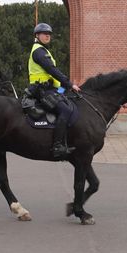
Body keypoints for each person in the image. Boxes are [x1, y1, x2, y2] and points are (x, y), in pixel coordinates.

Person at [27, 22, 81, 160]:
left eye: (49, 34)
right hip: (40, 90)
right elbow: (52, 70)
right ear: (37, 35)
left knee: (70, 100)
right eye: (44, 34)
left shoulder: (44, 51)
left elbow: (53, 78)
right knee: (65, 110)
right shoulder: (38, 51)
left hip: (51, 88)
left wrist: (65, 89)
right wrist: (70, 84)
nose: (47, 36)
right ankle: (57, 146)